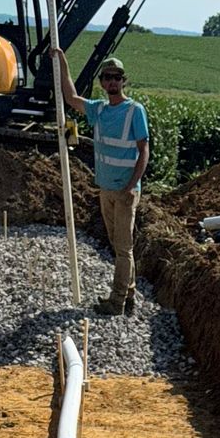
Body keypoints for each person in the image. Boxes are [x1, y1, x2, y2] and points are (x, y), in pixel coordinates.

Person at [54, 48, 149, 314]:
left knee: (123, 247)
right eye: (107, 77)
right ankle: (128, 295)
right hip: (106, 188)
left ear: (123, 80)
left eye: (116, 77)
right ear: (102, 82)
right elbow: (71, 98)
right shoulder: (99, 110)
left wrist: (131, 187)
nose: (112, 82)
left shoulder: (134, 111)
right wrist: (61, 60)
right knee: (116, 243)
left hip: (125, 191)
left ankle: (118, 302)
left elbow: (144, 150)